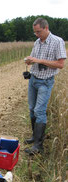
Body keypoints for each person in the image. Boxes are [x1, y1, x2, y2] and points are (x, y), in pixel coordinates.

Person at [24, 18, 66, 155]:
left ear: (46, 28)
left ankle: (38, 145)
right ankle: (34, 137)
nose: (36, 34)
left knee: (39, 111)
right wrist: (29, 60)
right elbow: (34, 58)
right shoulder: (37, 42)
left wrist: (40, 60)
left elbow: (60, 64)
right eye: (35, 32)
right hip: (33, 80)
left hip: (45, 81)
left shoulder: (57, 41)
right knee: (31, 109)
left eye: (39, 32)